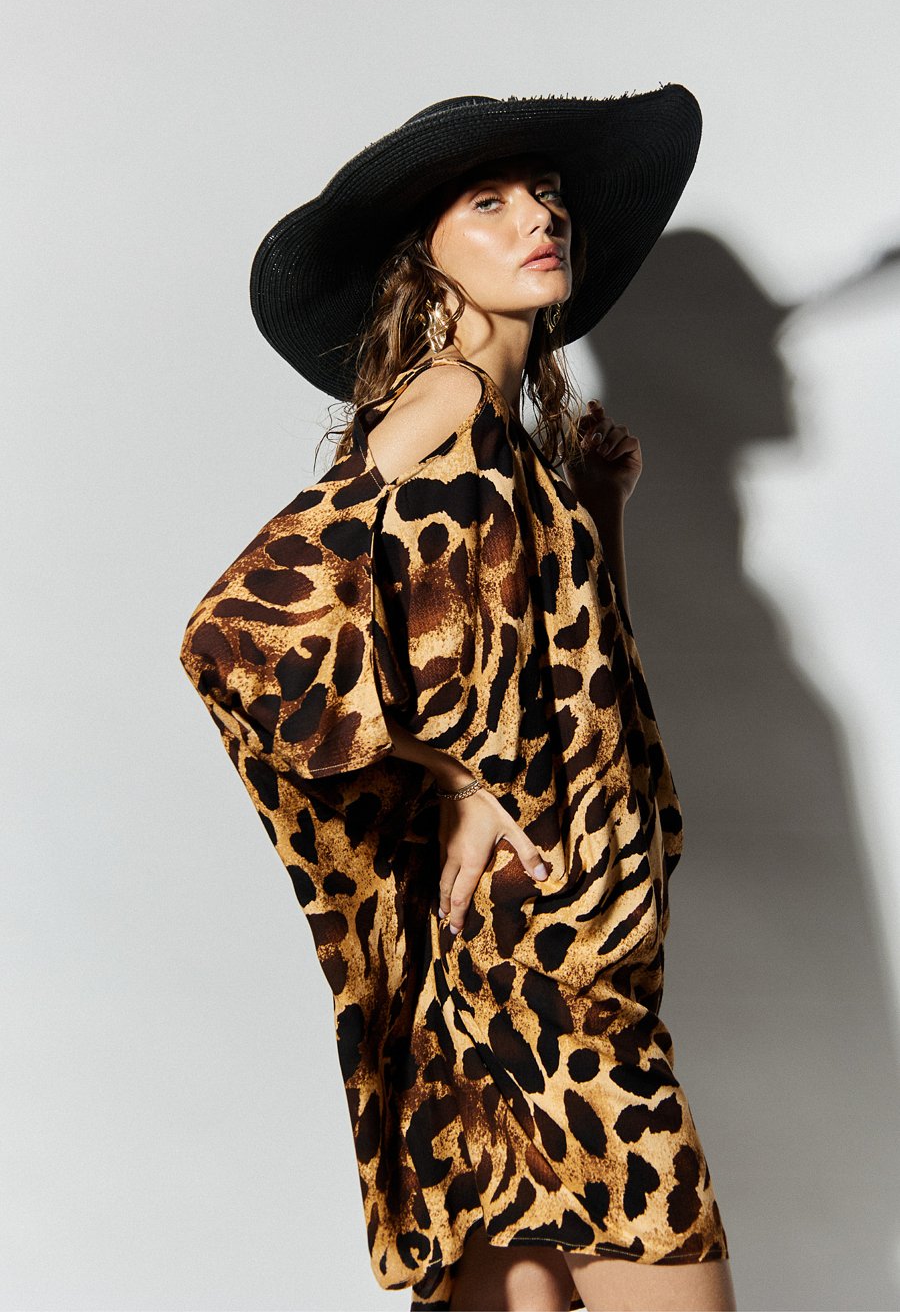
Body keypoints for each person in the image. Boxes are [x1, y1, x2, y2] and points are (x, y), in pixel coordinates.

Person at [180, 90, 737, 1312]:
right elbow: (237, 622)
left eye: (546, 196)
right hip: (542, 973)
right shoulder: (445, 402)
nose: (540, 216)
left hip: (552, 951)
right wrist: (449, 779)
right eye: (490, 202)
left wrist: (599, 511)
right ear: (422, 264)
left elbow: (581, 685)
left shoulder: (505, 448)